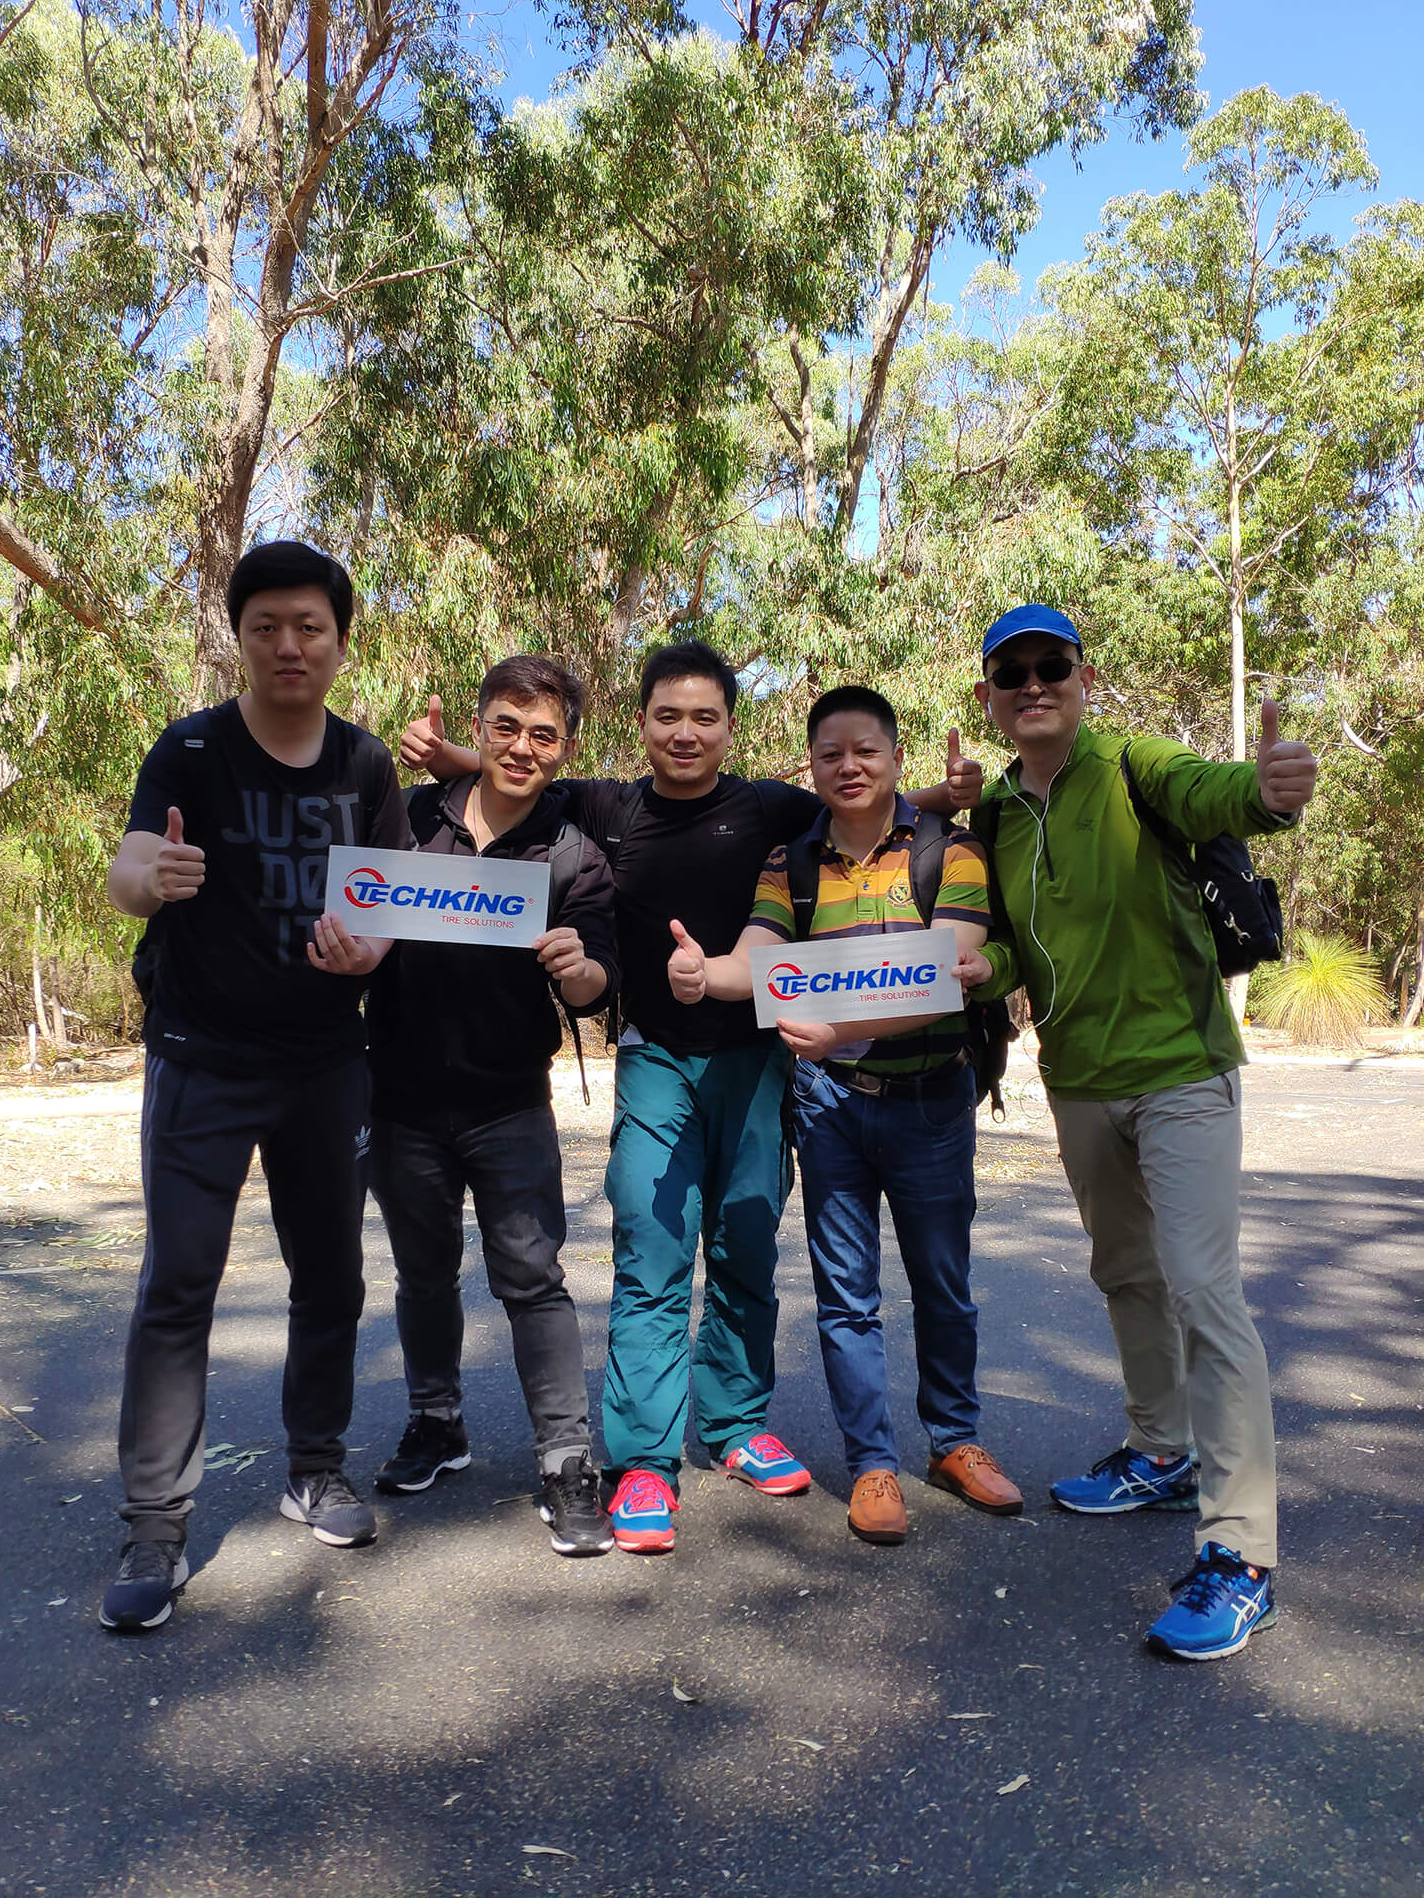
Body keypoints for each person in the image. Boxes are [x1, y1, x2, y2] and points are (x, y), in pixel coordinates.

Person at [399, 645, 982, 1553]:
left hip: (756, 1061)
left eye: (705, 717)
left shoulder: (771, 808)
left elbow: (858, 798)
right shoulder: (607, 807)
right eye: (667, 715)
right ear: (641, 724)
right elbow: (525, 768)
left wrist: (944, 796)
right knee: (653, 1250)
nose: (685, 733)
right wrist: (450, 759)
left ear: (730, 729)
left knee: (746, 1245)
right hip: (656, 1056)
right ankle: (642, 1461)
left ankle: (736, 1424)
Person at [955, 602, 1317, 1660]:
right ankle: (1160, 1449)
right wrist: (987, 968)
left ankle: (1241, 1554)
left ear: (1084, 677)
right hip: (1078, 1078)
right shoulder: (996, 814)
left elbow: (1215, 791)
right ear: (988, 696)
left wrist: (1268, 789)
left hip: (1182, 1070)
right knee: (1124, 1271)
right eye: (1012, 672)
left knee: (1205, 1291)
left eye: (1052, 666)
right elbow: (1016, 944)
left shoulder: (1133, 765)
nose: (1034, 684)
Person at [100, 541, 412, 1632]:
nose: (288, 644)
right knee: (178, 1285)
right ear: (239, 636)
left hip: (326, 1063)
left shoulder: (366, 765)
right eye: (265, 625)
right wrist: (152, 877)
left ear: (339, 642)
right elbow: (128, 869)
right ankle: (156, 1520)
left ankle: (315, 1468)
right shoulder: (190, 749)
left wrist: (369, 951)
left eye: (308, 627)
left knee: (330, 1278)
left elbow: (389, 903)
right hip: (203, 1057)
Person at [665, 686, 1022, 1544]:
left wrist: (834, 1030)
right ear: (813, 766)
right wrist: (705, 976)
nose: (849, 767)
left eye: (866, 751)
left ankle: (955, 1442)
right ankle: (871, 1463)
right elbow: (758, 958)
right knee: (846, 1295)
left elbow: (945, 973)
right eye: (831, 754)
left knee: (943, 1285)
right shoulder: (790, 862)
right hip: (829, 1106)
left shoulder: (951, 851)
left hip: (931, 1099)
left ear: (895, 758)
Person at [366, 656, 618, 1557]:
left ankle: (566, 1461)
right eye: (505, 727)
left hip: (509, 1105)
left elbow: (597, 982)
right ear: (478, 728)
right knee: (422, 1274)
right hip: (399, 1099)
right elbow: (354, 914)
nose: (521, 748)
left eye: (543, 734)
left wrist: (579, 970)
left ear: (566, 749)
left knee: (532, 1280)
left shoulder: (572, 853)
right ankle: (437, 1423)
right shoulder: (402, 818)